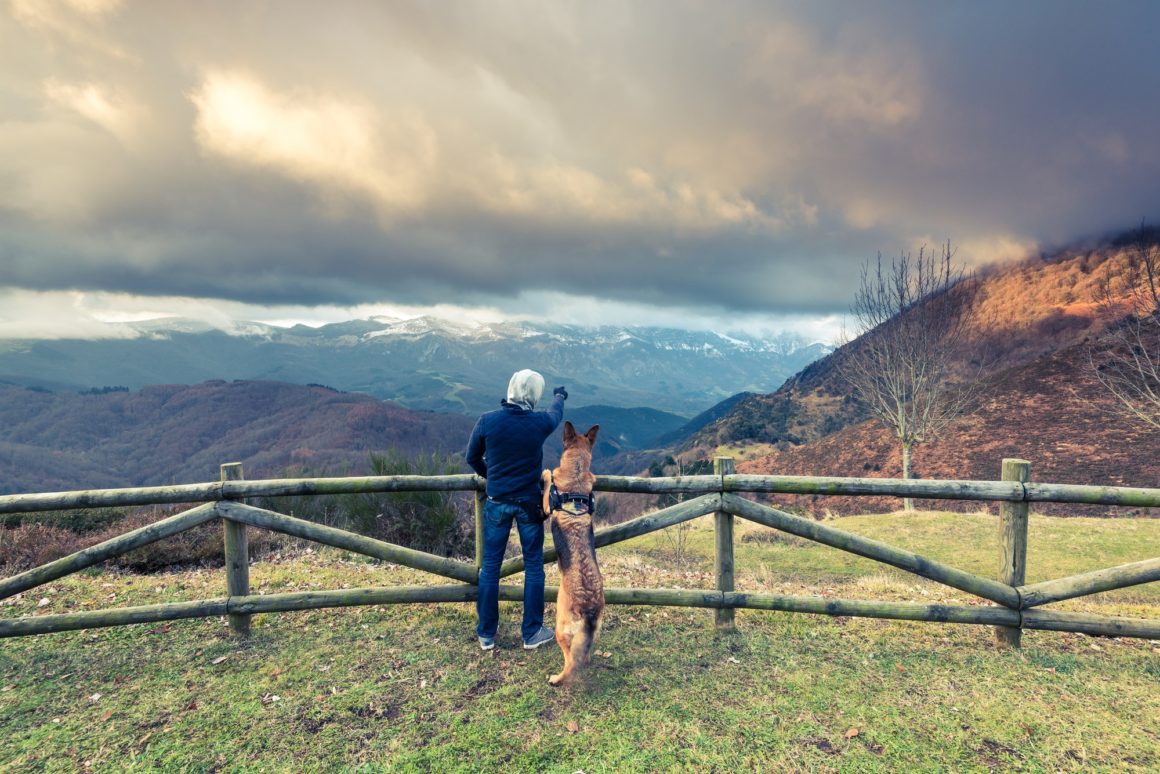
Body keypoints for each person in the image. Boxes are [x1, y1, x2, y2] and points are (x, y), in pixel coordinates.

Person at [466, 369, 567, 651]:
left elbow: (471, 457)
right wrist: (559, 395)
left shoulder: (487, 421)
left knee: (490, 569)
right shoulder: (539, 423)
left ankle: (486, 634)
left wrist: (491, 476)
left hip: (497, 502)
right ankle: (531, 632)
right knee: (534, 566)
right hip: (528, 505)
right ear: (533, 395)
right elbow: (555, 414)